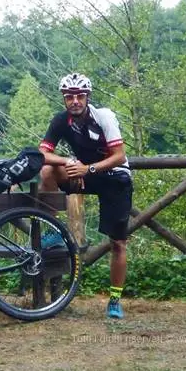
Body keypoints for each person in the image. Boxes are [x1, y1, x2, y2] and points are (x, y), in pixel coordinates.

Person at [38, 72, 133, 319]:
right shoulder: (61, 121)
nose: (75, 101)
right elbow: (42, 154)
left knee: (118, 243)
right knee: (48, 170)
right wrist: (69, 161)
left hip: (114, 177)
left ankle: (114, 300)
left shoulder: (104, 117)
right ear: (64, 99)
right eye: (70, 97)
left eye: (80, 96)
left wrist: (87, 168)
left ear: (88, 97)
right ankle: (52, 233)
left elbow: (119, 156)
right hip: (83, 173)